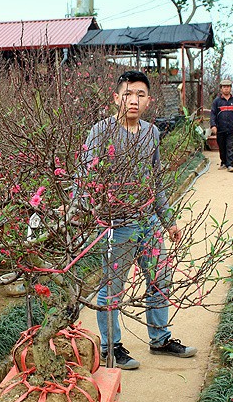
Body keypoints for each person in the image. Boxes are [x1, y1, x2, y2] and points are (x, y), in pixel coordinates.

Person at [80, 70, 197, 370]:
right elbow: (85, 178)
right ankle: (112, 347)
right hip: (117, 225)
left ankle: (160, 338)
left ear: (148, 101)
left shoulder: (151, 133)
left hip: (149, 222)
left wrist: (168, 221)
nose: (134, 100)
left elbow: (156, 181)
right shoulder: (100, 132)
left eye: (140, 95)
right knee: (113, 288)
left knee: (160, 278)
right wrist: (88, 214)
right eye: (128, 94)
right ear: (116, 98)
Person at [210, 79, 233, 172]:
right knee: (222, 146)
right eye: (224, 87)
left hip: (231, 129)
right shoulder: (217, 102)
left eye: (228, 87)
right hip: (220, 129)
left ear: (230, 88)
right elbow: (213, 114)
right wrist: (213, 125)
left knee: (230, 146)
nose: (226, 89)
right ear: (221, 89)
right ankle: (223, 162)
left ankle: (230, 164)